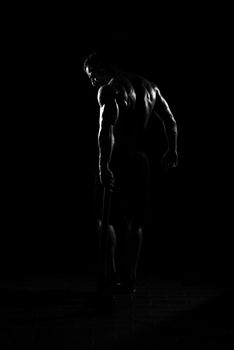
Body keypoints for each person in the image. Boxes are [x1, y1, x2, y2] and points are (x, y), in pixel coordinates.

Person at [83, 51, 178, 296]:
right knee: (135, 221)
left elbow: (107, 131)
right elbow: (170, 121)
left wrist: (104, 166)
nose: (92, 80)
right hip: (140, 159)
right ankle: (131, 278)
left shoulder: (109, 89)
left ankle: (112, 273)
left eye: (92, 74)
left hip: (116, 157)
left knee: (105, 220)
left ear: (104, 67)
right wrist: (172, 150)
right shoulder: (151, 88)